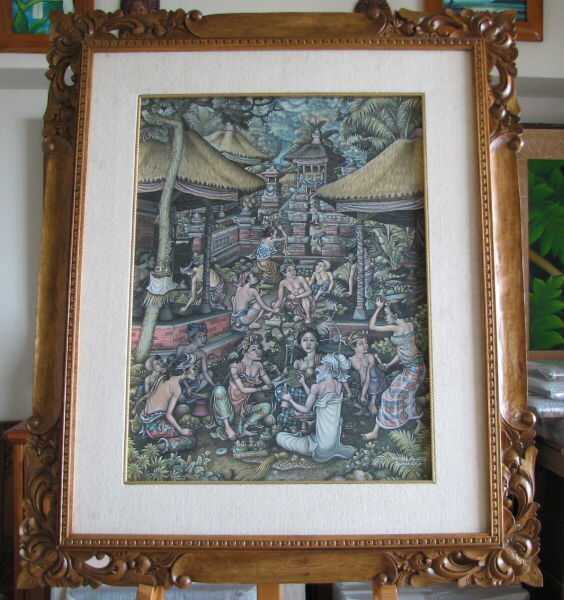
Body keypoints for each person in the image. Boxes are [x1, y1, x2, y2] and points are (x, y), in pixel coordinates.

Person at [363, 298, 426, 440]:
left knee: (388, 396)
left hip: (414, 370)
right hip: (414, 367)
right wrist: (389, 364)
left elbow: (372, 326)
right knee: (408, 396)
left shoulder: (397, 328)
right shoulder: (408, 325)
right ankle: (419, 424)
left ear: (395, 316)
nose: (385, 317)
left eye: (386, 313)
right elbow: (402, 351)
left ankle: (377, 430)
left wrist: (378, 307)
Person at [276, 354, 356, 462]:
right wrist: (303, 383)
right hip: (331, 443)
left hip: (320, 448)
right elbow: (314, 396)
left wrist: (290, 400)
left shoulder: (317, 387)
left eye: (321, 365)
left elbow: (306, 409)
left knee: (280, 437)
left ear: (328, 368)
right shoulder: (338, 385)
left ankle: (305, 441)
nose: (317, 368)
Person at [213, 335, 274, 440]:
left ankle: (246, 425)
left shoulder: (258, 366)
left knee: (266, 407)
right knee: (219, 390)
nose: (258, 352)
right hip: (227, 410)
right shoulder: (235, 366)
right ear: (244, 351)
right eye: (253, 349)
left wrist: (269, 381)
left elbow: (270, 384)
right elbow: (243, 389)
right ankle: (227, 427)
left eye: (259, 348)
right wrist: (261, 388)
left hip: (243, 409)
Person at [136, 358, 196, 448]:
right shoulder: (177, 388)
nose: (196, 372)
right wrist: (181, 430)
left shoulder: (162, 378)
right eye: (194, 369)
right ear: (185, 371)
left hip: (145, 420)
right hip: (154, 427)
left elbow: (149, 396)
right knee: (184, 435)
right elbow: (168, 415)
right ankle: (158, 444)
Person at [347, 331, 387, 415]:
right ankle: (366, 403)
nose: (365, 345)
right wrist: (363, 393)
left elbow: (368, 374)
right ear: (354, 347)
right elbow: (362, 377)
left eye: (365, 343)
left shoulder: (370, 356)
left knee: (372, 371)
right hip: (363, 382)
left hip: (376, 380)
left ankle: (372, 402)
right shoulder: (353, 359)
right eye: (361, 344)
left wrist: (363, 394)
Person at [175, 323, 215, 387]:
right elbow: (177, 369)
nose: (203, 339)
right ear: (192, 338)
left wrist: (214, 385)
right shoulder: (181, 348)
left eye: (204, 336)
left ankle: (195, 390)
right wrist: (187, 385)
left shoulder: (202, 354)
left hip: (193, 378)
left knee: (210, 373)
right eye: (200, 337)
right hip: (181, 378)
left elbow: (205, 372)